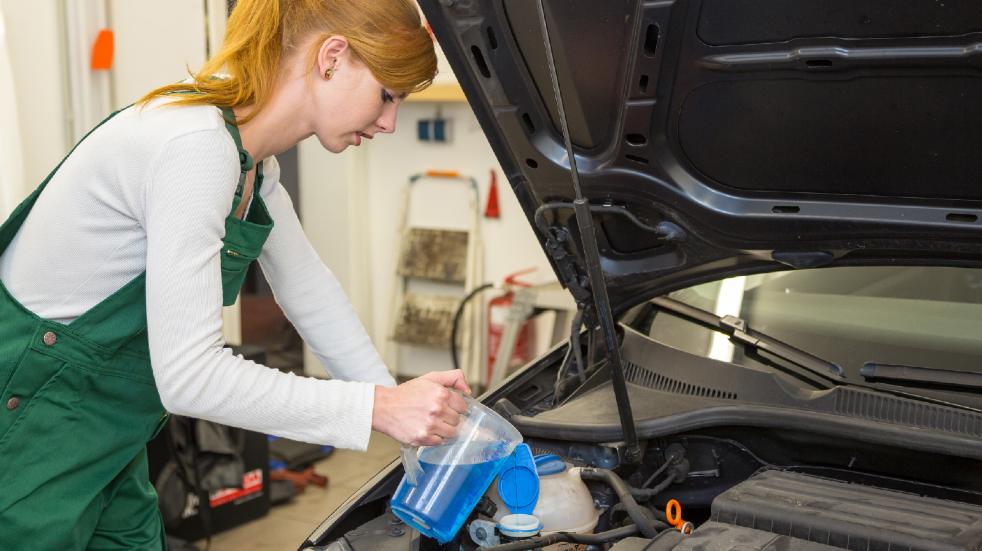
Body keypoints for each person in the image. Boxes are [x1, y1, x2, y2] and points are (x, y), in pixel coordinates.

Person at [0, 0, 469, 548]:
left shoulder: (251, 163)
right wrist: (379, 409)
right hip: (31, 423)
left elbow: (309, 291)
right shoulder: (194, 148)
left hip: (109, 430)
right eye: (388, 95)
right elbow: (191, 377)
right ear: (332, 58)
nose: (389, 122)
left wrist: (405, 418)